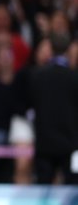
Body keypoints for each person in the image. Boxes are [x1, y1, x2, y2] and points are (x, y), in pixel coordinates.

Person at [26, 32, 78, 185]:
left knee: (44, 187)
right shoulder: (74, 77)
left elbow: (29, 107)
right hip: (71, 144)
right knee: (72, 188)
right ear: (68, 50)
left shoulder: (36, 76)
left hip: (44, 143)